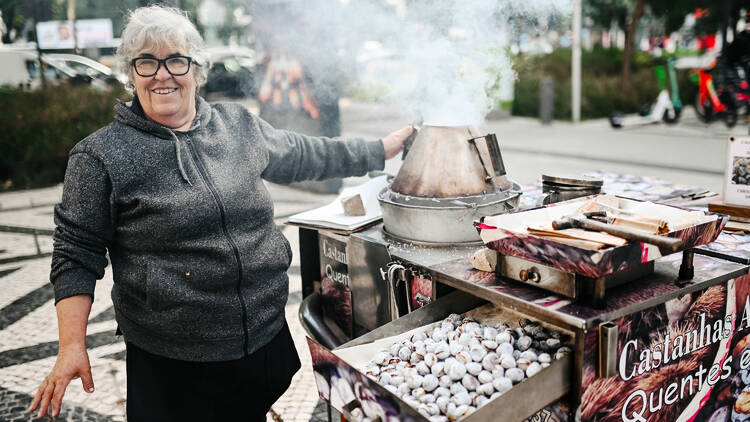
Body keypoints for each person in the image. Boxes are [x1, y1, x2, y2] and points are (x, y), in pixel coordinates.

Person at [28, 5, 412, 421]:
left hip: (262, 339)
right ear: (131, 73)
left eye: (175, 60)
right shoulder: (101, 155)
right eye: (146, 62)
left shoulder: (237, 125)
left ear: (196, 69)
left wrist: (381, 148)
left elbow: (305, 154)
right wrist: (72, 346)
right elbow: (75, 253)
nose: (162, 74)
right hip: (175, 365)